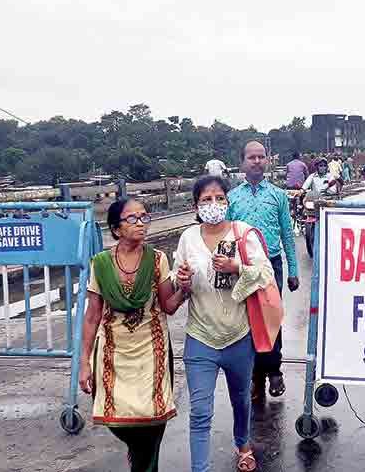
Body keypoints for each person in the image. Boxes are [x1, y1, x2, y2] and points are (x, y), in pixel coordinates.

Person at [79, 197, 190, 472]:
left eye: (144, 217)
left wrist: (185, 289)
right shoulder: (101, 264)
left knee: (154, 417)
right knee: (117, 419)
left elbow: (169, 306)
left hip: (152, 349)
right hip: (113, 352)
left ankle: (144, 466)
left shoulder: (157, 259)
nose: (141, 223)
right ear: (117, 229)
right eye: (132, 219)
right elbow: (92, 315)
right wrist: (83, 362)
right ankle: (138, 452)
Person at [174, 176, 274, 472]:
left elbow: (265, 274)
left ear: (227, 202)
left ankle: (243, 444)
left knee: (241, 400)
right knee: (200, 411)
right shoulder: (188, 238)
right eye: (206, 199)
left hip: (239, 336)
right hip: (200, 337)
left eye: (219, 197)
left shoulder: (242, 234)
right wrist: (181, 283)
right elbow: (178, 281)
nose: (213, 204)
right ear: (196, 205)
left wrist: (237, 268)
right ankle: (199, 468)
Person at [227, 141, 299, 399]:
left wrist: (293, 269)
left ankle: (273, 370)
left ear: (268, 160)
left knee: (271, 317)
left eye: (261, 157)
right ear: (242, 162)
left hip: (272, 264)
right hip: (242, 266)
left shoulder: (278, 195)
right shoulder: (232, 198)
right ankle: (254, 376)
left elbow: (287, 235)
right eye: (251, 157)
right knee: (246, 320)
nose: (256, 161)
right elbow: (225, 234)